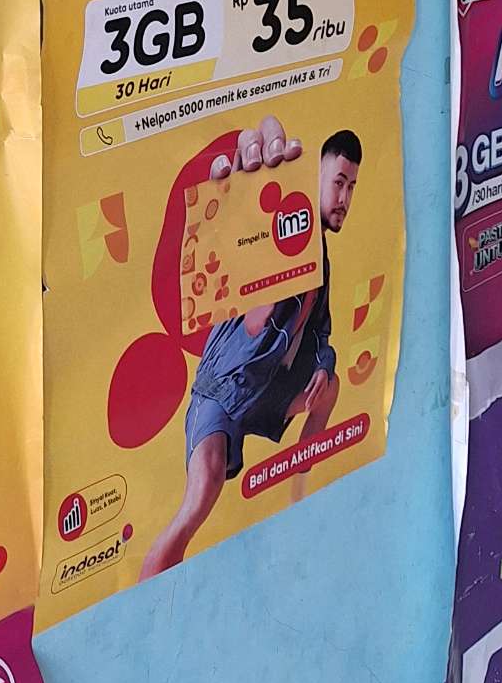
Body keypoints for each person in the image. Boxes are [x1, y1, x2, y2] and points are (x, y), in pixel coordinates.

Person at [139, 126, 364, 580]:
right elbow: (234, 262)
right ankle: (148, 595)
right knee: (200, 496)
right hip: (223, 393)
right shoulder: (270, 234)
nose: (344, 198)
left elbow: (321, 328)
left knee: (332, 387)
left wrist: (324, 364)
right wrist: (242, 199)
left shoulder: (317, 255)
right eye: (338, 183)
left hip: (268, 393)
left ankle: (301, 496)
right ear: (316, 177)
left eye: (351, 187)